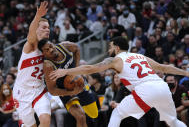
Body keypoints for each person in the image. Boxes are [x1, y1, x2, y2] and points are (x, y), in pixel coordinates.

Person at [50, 36, 189, 127]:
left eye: (110, 46)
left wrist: (66, 71)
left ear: (116, 48)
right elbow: (164, 67)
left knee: (117, 113)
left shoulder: (115, 59)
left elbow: (90, 68)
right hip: (162, 87)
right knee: (173, 121)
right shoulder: (140, 56)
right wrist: (186, 72)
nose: (109, 49)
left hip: (145, 89)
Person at [37, 39, 98, 127]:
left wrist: (76, 70)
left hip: (79, 82)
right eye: (47, 50)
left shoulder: (64, 46)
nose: (51, 49)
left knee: (94, 114)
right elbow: (52, 90)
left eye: (50, 46)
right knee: (80, 116)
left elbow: (77, 48)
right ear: (44, 54)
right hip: (65, 92)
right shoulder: (48, 66)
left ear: (53, 44)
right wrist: (71, 92)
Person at [13, 1, 51, 127]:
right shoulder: (31, 45)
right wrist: (38, 16)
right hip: (22, 92)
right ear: (36, 29)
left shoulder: (48, 48)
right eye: (44, 27)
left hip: (39, 90)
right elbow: (30, 35)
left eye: (48, 27)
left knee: (45, 120)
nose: (48, 29)